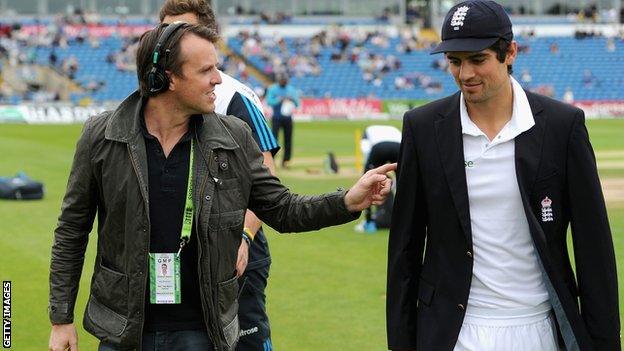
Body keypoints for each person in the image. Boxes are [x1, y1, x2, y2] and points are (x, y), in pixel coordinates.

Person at [48, 22, 395, 351]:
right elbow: (71, 230)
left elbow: (283, 209)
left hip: (203, 331)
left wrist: (348, 200)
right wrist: (60, 319)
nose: (217, 79)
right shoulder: (101, 136)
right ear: (167, 78)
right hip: (123, 329)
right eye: (205, 71)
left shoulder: (233, 136)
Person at [386, 1, 619, 351]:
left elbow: (593, 247)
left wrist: (604, 343)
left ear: (509, 52)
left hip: (540, 328)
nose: (465, 74)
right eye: (454, 61)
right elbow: (404, 248)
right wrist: (402, 342)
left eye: (477, 59)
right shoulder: (422, 128)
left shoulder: (562, 125)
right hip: (453, 333)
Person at [158, 1, 280, 349]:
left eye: (183, 30)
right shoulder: (155, 95)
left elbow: (266, 183)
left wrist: (242, 238)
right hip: (178, 257)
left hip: (233, 256)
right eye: (166, 30)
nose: (171, 39)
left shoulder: (232, 96)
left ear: (210, 38)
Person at [356, 125, 401, 233]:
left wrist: (369, 169)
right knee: (404, 185)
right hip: (398, 147)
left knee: (368, 183)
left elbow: (365, 149)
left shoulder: (368, 130)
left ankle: (369, 221)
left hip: (378, 148)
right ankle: (405, 220)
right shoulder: (393, 129)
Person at [266, 74, 299, 169]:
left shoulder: (291, 89)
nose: (284, 82)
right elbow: (269, 101)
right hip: (276, 118)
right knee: (274, 140)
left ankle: (286, 161)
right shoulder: (273, 89)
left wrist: (292, 99)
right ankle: (271, 160)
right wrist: (279, 100)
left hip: (288, 118)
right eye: (282, 80)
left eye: (285, 81)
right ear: (279, 80)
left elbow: (297, 103)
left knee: (288, 140)